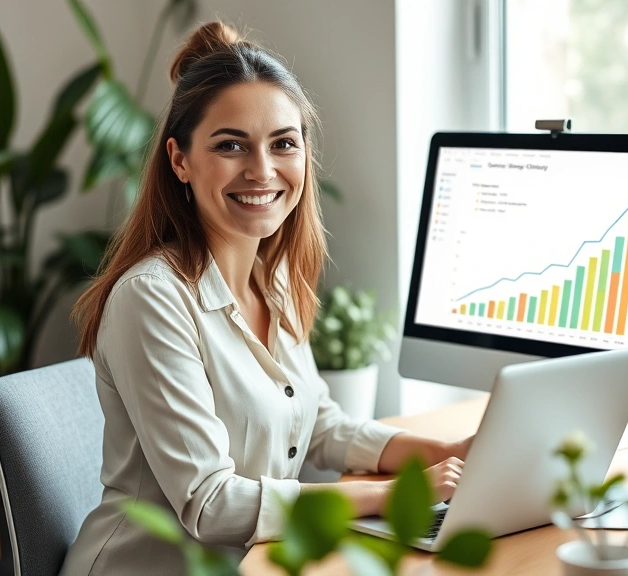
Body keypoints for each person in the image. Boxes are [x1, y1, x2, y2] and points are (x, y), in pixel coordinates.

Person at [61, 21, 472, 575]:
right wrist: (393, 495)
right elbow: (210, 504)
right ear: (179, 160)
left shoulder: (270, 278)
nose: (262, 170)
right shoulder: (151, 300)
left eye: (284, 143)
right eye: (231, 145)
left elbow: (318, 423)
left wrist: (445, 452)